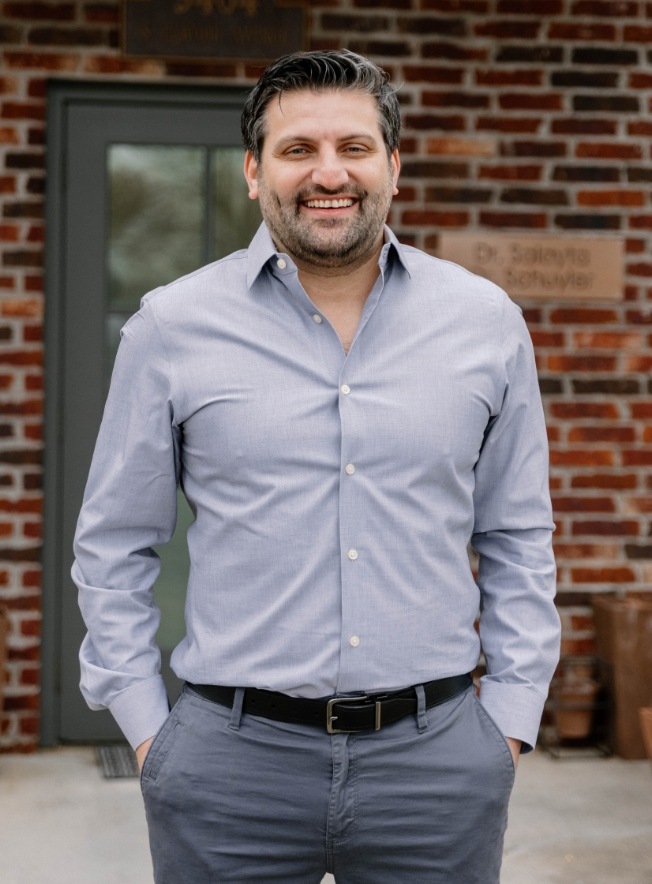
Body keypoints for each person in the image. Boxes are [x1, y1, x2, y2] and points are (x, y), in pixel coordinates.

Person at [73, 49, 560, 883]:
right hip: (229, 771)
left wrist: (507, 724)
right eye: (298, 150)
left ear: (394, 167)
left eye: (355, 148)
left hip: (437, 766)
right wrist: (153, 735)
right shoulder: (171, 327)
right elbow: (114, 543)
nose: (328, 173)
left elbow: (518, 535)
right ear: (254, 173)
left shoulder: (486, 323)